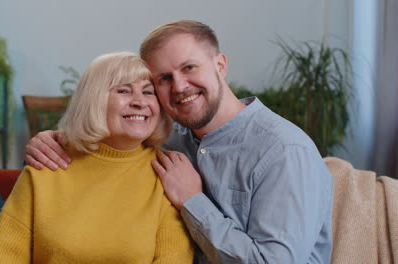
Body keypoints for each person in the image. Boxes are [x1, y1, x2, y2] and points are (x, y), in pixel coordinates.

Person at [25, 20, 333, 263]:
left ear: (220, 65)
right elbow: (108, 143)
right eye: (163, 79)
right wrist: (54, 140)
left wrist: (192, 200)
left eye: (189, 67)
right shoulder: (171, 142)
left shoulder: (284, 151)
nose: (180, 86)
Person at [0, 52, 194, 263]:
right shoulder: (47, 163)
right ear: (94, 100)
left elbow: (175, 256)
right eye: (123, 90)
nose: (140, 102)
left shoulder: (168, 173)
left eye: (149, 92)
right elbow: (6, 254)